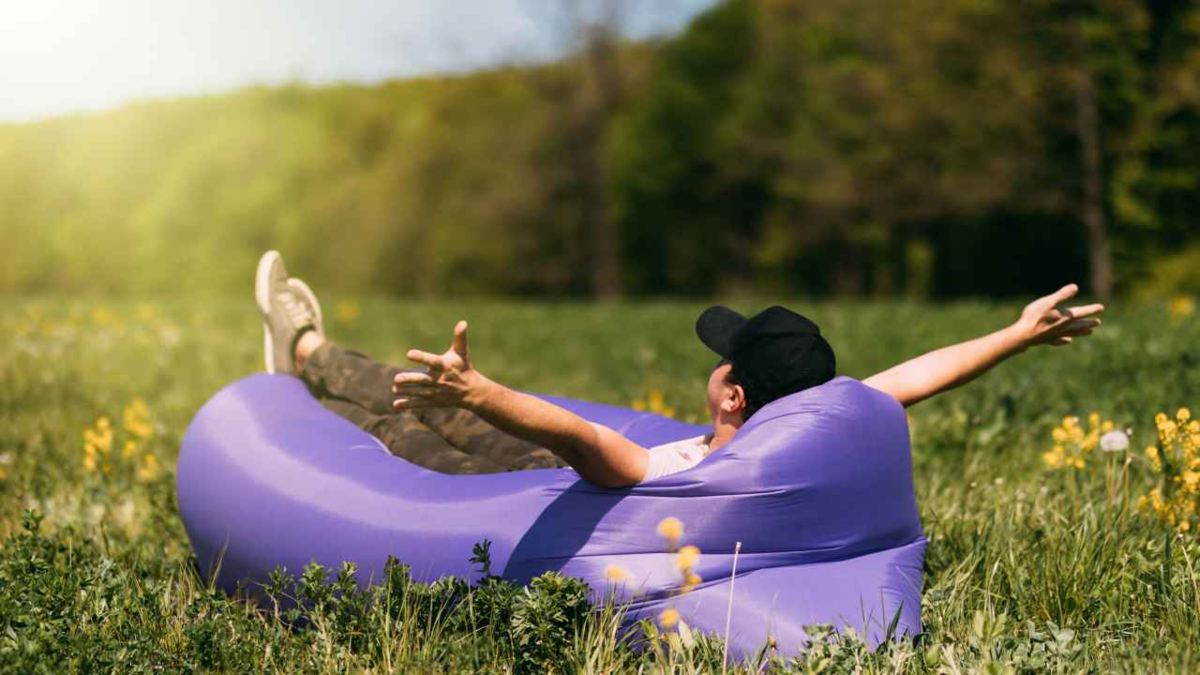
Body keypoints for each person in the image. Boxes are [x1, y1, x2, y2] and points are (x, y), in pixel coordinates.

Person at [256, 250, 1104, 488]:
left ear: (733, 393)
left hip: (525, 478)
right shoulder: (806, 432)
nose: (716, 360)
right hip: (548, 461)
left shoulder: (687, 478)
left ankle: (302, 363)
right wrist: (1014, 333)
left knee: (405, 428)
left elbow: (585, 442)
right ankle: (311, 353)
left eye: (723, 356)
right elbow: (920, 376)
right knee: (431, 407)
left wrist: (480, 391)